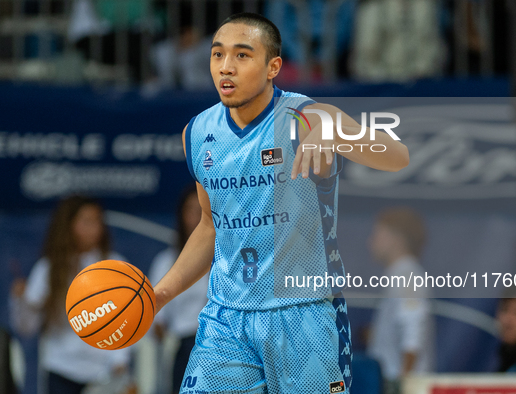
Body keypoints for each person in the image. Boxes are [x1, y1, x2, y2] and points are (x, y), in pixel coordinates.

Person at [153, 12, 409, 394]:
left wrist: (337, 133)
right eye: (217, 54)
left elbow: (397, 155)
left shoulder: (307, 116)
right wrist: (160, 295)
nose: (226, 67)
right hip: (227, 319)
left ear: (273, 67)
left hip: (304, 315)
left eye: (242, 56)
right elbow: (210, 226)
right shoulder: (198, 132)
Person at [10, 196, 133, 394]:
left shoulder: (116, 266)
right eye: (86, 221)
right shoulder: (49, 269)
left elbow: (129, 318)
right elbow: (27, 327)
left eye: (97, 221)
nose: (94, 228)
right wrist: (21, 301)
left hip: (105, 373)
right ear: (68, 226)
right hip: (60, 368)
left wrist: (120, 358)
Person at [366, 207, 435, 394]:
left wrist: (403, 382)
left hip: (400, 386)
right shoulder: (399, 274)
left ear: (396, 239)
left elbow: (413, 331)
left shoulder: (407, 274)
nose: (371, 241)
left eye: (378, 234)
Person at [148, 186, 208, 394]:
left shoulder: (226, 259)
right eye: (191, 210)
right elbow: (156, 315)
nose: (197, 217)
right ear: (181, 215)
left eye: (202, 209)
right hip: (182, 346)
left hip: (219, 343)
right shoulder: (166, 262)